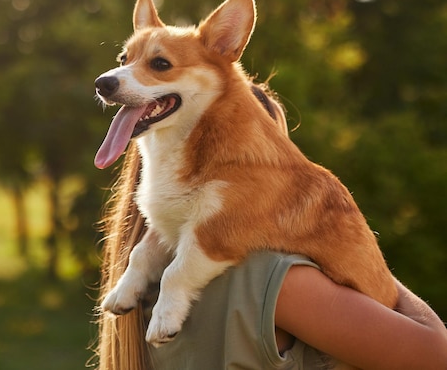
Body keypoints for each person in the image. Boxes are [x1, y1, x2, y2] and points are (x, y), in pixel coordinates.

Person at [91, 87, 447, 370]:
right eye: (271, 151)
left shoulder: (140, 284)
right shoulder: (276, 278)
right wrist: (346, 246)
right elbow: (434, 353)